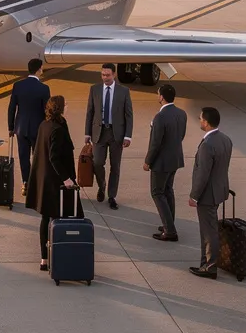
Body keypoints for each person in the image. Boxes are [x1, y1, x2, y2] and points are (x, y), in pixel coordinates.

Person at [26, 95, 81, 272]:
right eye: (65, 104)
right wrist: (67, 180)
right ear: (60, 107)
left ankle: (44, 258)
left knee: (45, 218)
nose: (68, 105)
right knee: (64, 218)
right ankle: (61, 256)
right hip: (55, 182)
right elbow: (54, 157)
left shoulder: (45, 125)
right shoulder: (57, 129)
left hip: (44, 180)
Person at [189, 107, 233, 279]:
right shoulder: (226, 139)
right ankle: (205, 263)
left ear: (206, 122)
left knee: (208, 232)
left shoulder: (207, 145)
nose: (199, 120)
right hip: (219, 190)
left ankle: (210, 266)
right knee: (210, 228)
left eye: (200, 118)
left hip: (207, 194)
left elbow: (203, 174)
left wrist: (194, 195)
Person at [84, 62, 133, 209]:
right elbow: (90, 112)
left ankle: (112, 196)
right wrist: (87, 133)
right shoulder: (95, 89)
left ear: (114, 75)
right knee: (98, 162)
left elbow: (129, 115)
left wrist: (128, 136)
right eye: (103, 75)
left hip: (116, 134)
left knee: (115, 166)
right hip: (99, 133)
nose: (105, 77)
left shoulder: (123, 91)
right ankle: (102, 185)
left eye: (108, 75)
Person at [144, 83, 187, 241]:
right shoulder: (182, 113)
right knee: (168, 190)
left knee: (157, 193)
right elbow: (180, 136)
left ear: (161, 97)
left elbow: (156, 143)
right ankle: (169, 224)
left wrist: (148, 161)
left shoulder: (160, 117)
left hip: (161, 162)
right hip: (175, 159)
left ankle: (170, 231)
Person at [6, 58, 50, 196]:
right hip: (38, 129)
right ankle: (37, 184)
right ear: (39, 69)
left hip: (21, 128)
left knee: (23, 157)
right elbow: (47, 111)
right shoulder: (44, 88)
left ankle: (26, 183)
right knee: (38, 158)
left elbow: (12, 107)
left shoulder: (18, 86)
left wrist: (11, 127)